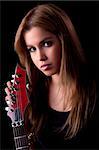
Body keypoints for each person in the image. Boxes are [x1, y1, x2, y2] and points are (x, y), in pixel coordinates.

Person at [4, 3, 97, 149]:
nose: (40, 57)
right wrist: (19, 118)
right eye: (32, 49)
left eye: (47, 44)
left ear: (64, 40)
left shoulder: (93, 91)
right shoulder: (34, 94)